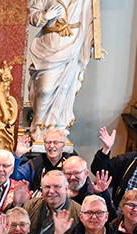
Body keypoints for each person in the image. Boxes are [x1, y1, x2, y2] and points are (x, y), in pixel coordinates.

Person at [27, 0, 94, 139]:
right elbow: (31, 15)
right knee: (44, 90)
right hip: (48, 46)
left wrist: (94, 44)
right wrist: (44, 17)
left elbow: (91, 21)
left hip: (73, 46)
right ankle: (39, 127)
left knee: (64, 91)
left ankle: (56, 131)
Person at [25, 170, 80, 234]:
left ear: (66, 188)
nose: (51, 191)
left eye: (57, 187)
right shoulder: (30, 206)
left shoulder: (78, 214)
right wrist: (17, 204)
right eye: (47, 187)